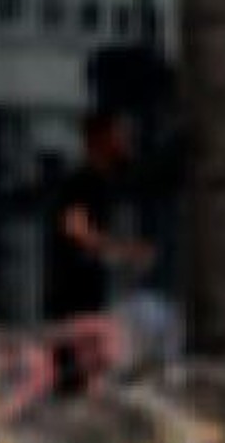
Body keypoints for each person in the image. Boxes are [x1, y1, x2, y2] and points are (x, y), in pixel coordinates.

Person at [42, 112, 150, 385]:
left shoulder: (101, 182)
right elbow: (74, 227)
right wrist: (124, 251)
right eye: (119, 134)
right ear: (100, 139)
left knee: (92, 364)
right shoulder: (84, 180)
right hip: (72, 289)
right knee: (84, 362)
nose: (125, 141)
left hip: (86, 289)